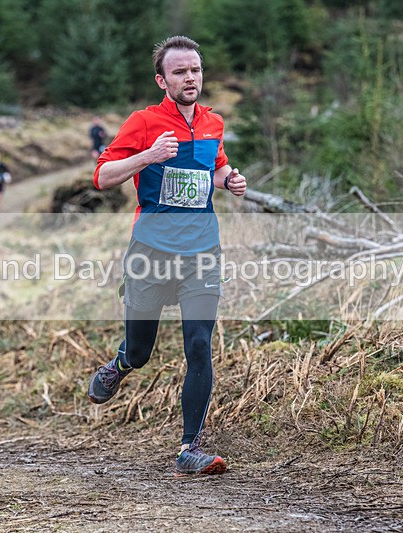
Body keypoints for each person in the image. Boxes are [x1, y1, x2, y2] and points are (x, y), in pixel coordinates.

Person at [87, 35, 247, 476]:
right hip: (152, 252)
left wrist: (229, 179)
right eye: (180, 72)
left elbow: (215, 167)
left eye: (195, 69)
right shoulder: (144, 122)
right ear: (162, 80)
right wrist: (148, 155)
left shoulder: (213, 123)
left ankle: (189, 447)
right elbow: (102, 176)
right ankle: (120, 364)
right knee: (141, 351)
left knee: (199, 345)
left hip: (202, 250)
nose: (190, 78)